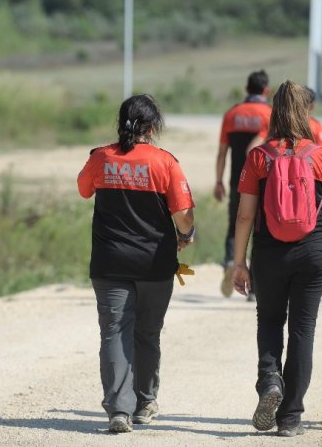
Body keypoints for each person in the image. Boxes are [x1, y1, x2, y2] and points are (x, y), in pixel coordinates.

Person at [232, 81, 322, 437]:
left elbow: (245, 216)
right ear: (306, 111)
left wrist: (239, 262)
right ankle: (291, 418)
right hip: (314, 251)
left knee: (268, 319)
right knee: (303, 329)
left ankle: (270, 381)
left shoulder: (259, 157)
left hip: (269, 252)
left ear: (275, 111)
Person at [77, 94, 195, 434]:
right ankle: (145, 403)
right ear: (153, 126)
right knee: (147, 333)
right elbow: (184, 216)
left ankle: (118, 410)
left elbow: (84, 190)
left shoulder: (101, 157)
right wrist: (186, 235)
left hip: (109, 263)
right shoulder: (165, 162)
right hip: (155, 265)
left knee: (114, 333)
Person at [215, 70, 271, 300]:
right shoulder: (270, 114)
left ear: (246, 89)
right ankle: (255, 290)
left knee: (234, 224)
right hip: (260, 183)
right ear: (266, 91)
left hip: (236, 181)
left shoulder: (232, 114)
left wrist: (218, 181)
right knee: (259, 232)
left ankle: (230, 261)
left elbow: (221, 153)